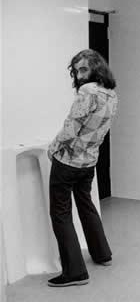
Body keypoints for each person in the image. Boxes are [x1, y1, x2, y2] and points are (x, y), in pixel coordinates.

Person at [46, 49, 118, 287]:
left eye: (84, 69)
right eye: (76, 71)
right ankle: (102, 254)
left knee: (61, 213)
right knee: (86, 206)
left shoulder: (87, 92)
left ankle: (75, 272)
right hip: (89, 162)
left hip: (68, 162)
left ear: (96, 68)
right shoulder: (111, 94)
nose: (79, 75)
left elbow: (71, 127)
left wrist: (53, 148)